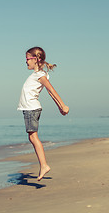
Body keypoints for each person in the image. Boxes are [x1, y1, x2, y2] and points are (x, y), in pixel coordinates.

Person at [18, 46, 69, 181]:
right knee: (32, 137)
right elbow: (50, 94)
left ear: (36, 59)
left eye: (28, 59)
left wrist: (62, 105)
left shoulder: (40, 75)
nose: (26, 62)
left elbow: (51, 90)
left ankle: (44, 165)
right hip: (29, 109)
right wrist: (59, 107)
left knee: (33, 137)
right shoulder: (36, 75)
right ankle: (43, 165)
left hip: (31, 109)